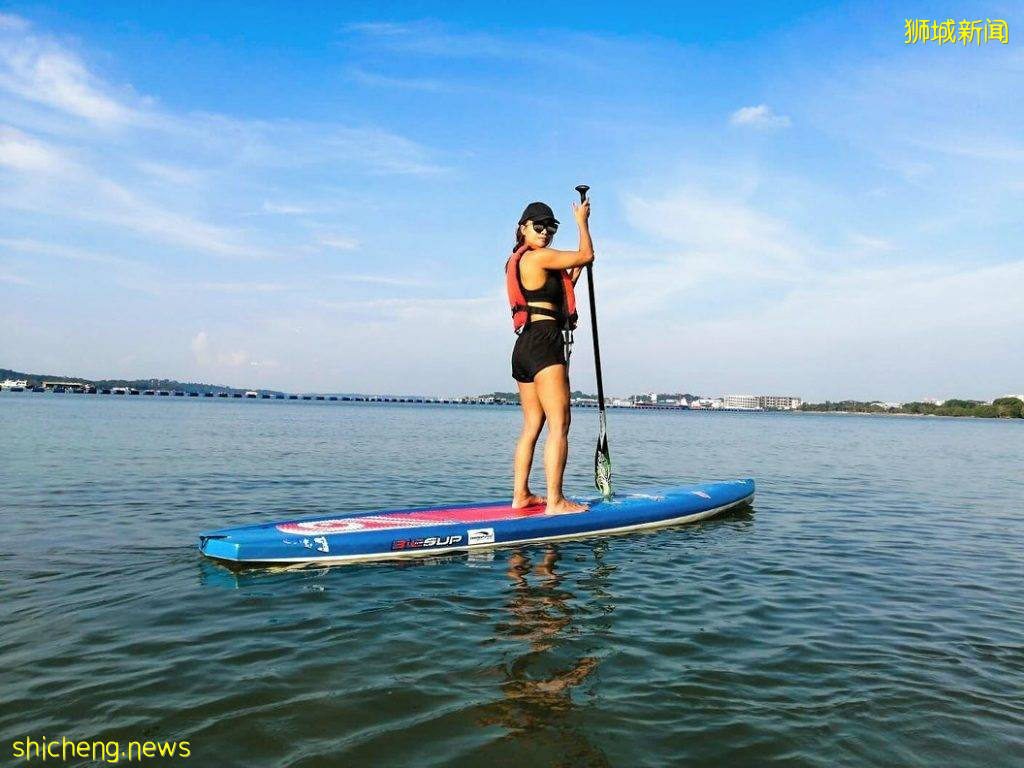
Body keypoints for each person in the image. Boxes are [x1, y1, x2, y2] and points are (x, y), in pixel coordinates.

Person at [505, 199, 593, 515]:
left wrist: (576, 270)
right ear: (523, 228)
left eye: (551, 228)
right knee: (559, 424)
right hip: (544, 343)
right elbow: (586, 253)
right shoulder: (538, 257)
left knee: (533, 424)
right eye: (538, 226)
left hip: (524, 345)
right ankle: (555, 502)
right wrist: (581, 221)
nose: (545, 232)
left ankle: (521, 495)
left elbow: (562, 283)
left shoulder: (523, 262)